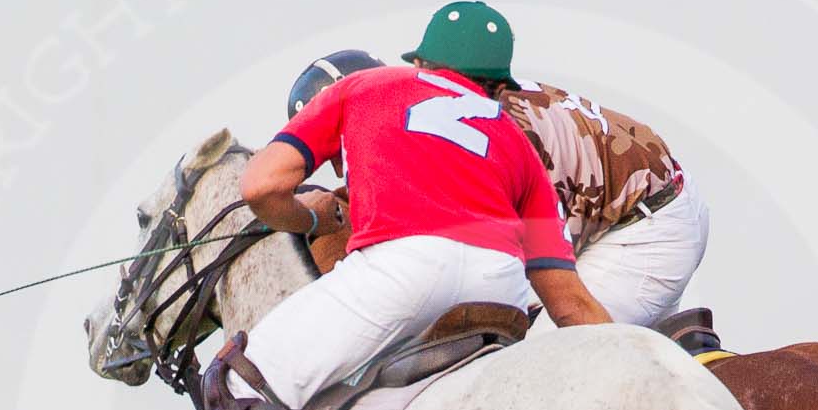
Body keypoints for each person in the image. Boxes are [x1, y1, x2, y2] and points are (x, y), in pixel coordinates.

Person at [205, 0, 614, 410]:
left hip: (404, 270)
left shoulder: (367, 86)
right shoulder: (514, 142)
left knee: (236, 377)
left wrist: (311, 221)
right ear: (495, 86)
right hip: (498, 286)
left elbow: (260, 186)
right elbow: (567, 301)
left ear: (421, 61)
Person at [282, 49, 708, 330]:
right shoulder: (440, 107)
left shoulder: (451, 140)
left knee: (546, 365)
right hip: (632, 204)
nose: (341, 167)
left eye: (337, 148)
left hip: (644, 228)